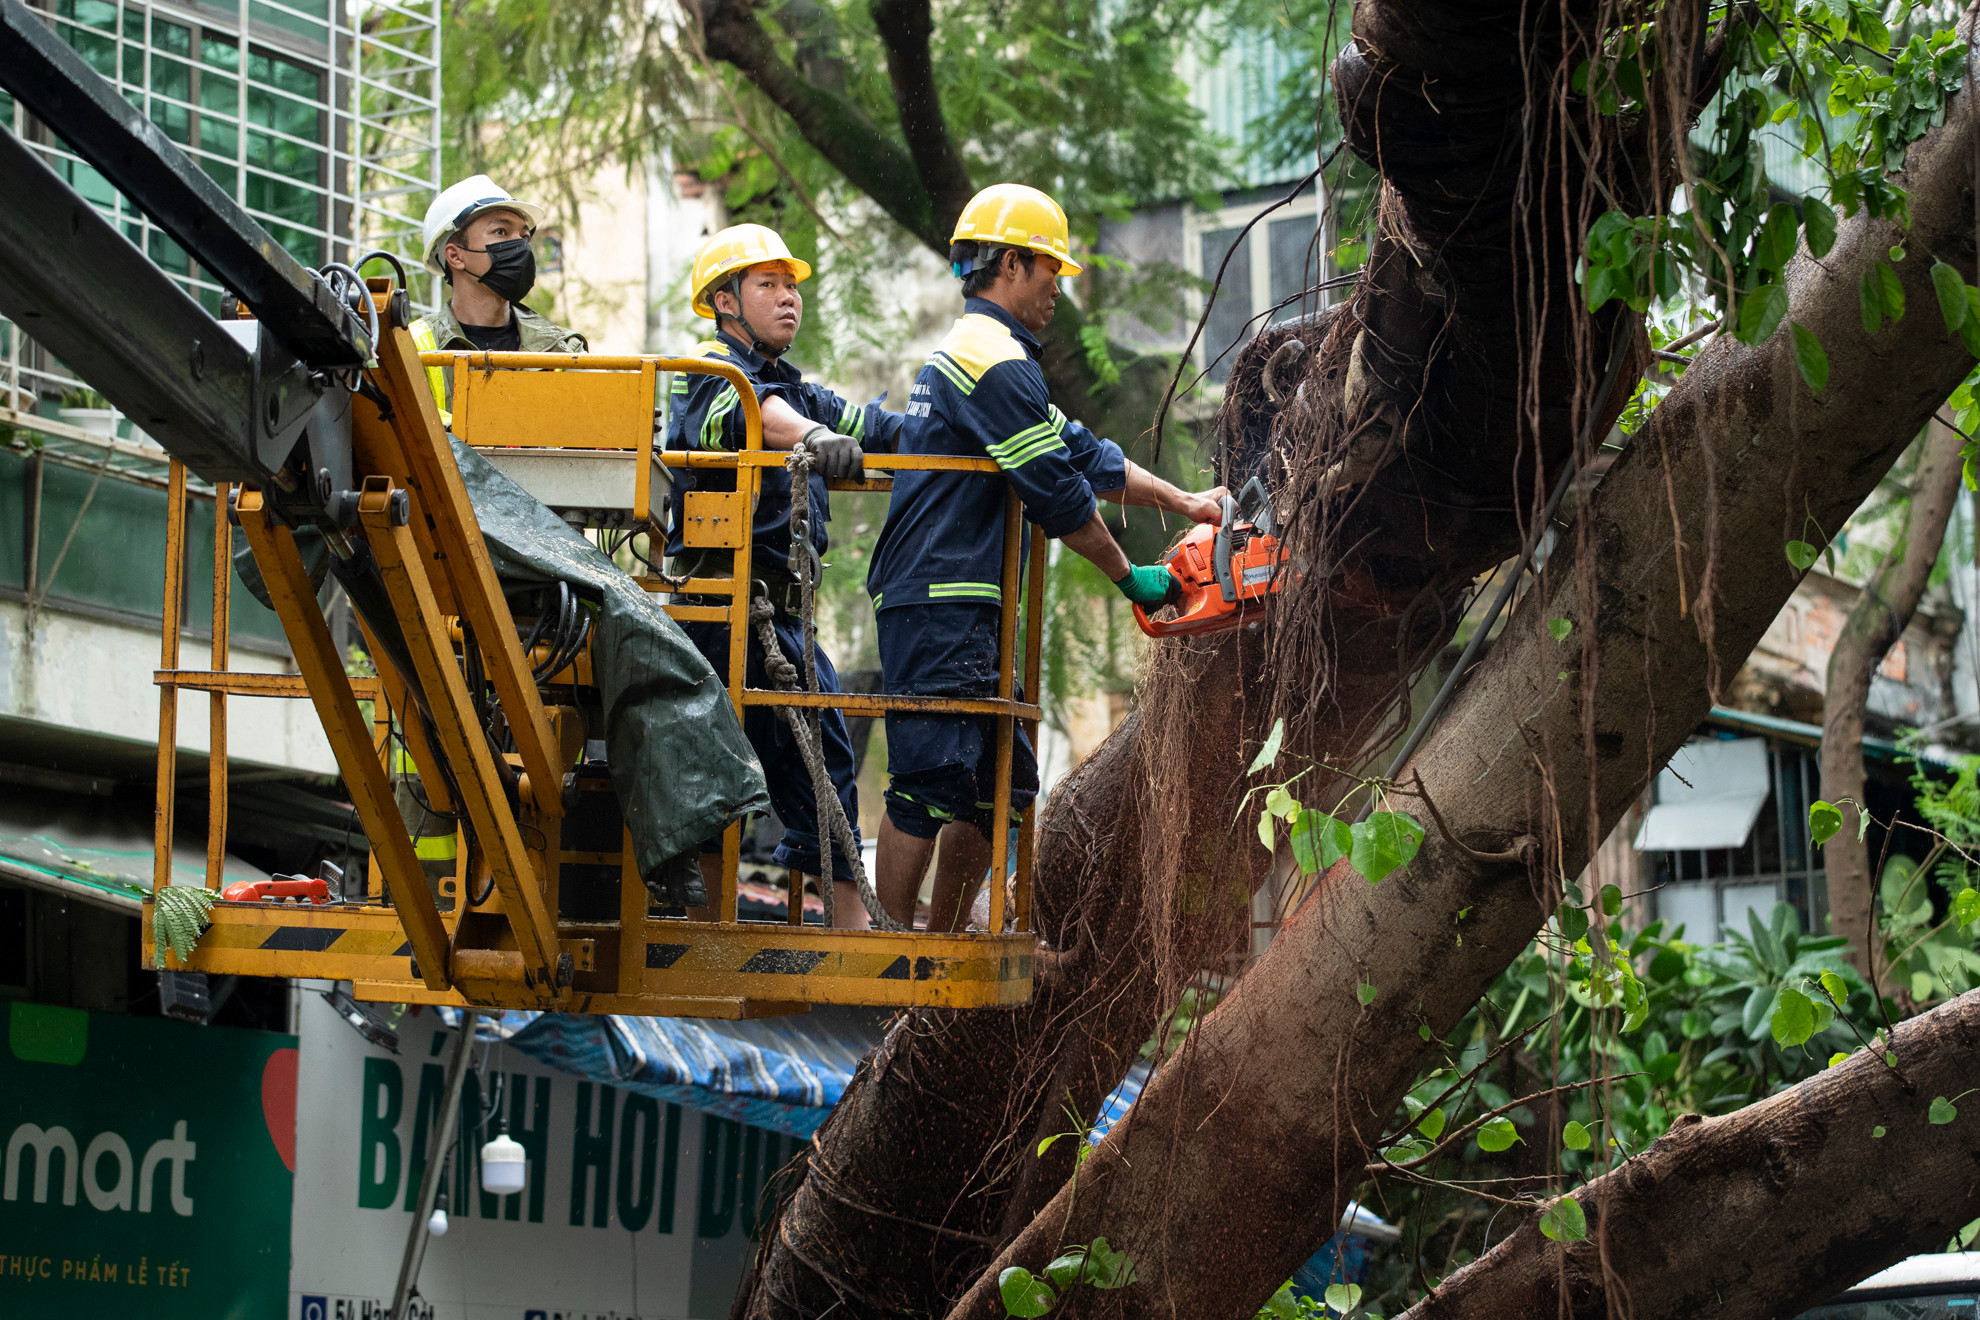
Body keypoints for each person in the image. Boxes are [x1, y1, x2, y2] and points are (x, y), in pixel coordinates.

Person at [866, 183, 1225, 931]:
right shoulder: (989, 360)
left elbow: (1087, 454)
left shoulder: (1004, 363)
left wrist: (1189, 504)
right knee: (929, 783)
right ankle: (900, 951)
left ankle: (943, 942)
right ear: (1007, 264)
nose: (1058, 288)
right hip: (936, 598)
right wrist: (1135, 580)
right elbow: (1061, 500)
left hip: (965, 602)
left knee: (1004, 786)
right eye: (1048, 270)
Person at [666, 224, 904, 927]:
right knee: (750, 772)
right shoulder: (708, 370)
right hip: (727, 608)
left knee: (815, 762)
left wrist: (943, 424)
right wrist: (811, 436)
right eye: (767, 284)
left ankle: (846, 937)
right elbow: (743, 415)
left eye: (791, 284)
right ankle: (813, 937)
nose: (788, 298)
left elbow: (868, 422)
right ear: (723, 302)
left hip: (774, 612)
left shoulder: (791, 390)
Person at [411, 174, 587, 423]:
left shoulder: (563, 350)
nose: (521, 246)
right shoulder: (412, 347)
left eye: (524, 236)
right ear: (455, 256)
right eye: (501, 231)